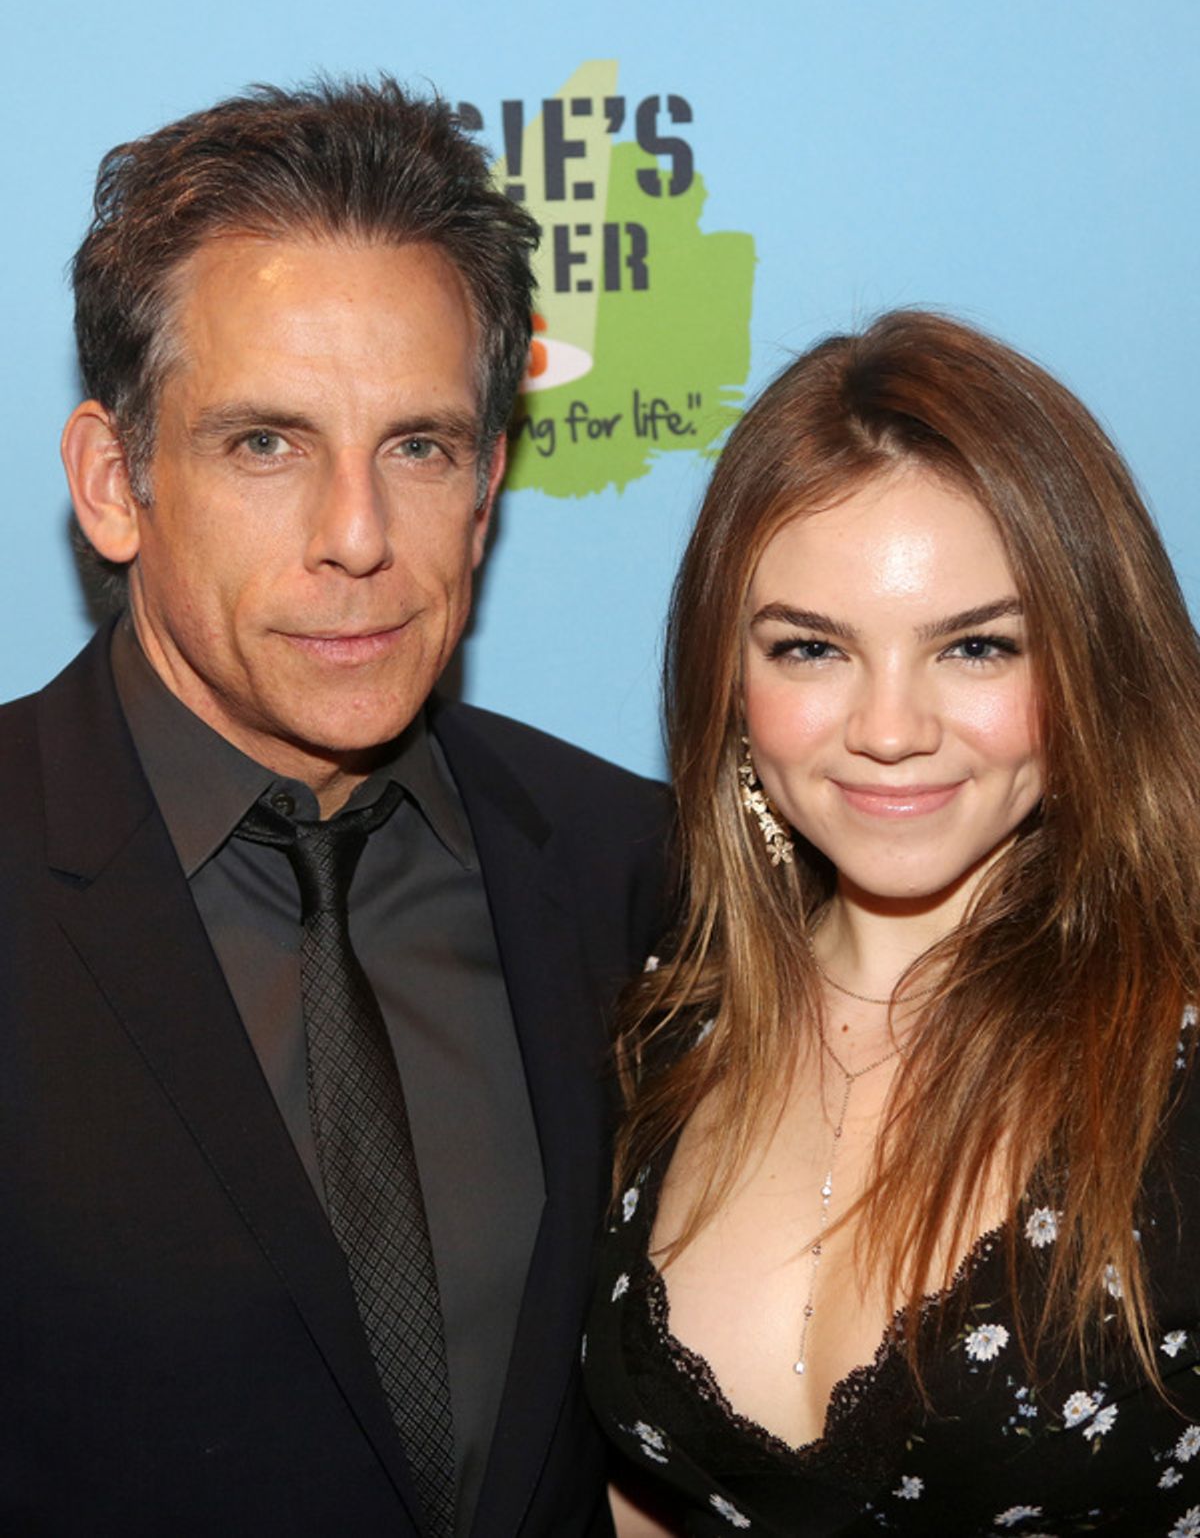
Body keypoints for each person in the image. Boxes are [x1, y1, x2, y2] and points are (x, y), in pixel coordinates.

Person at [0, 78, 666, 1538]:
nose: (357, 538)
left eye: (418, 447)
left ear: (488, 490)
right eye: (266, 444)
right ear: (115, 483)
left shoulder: (636, 871)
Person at [585, 310, 1200, 1536]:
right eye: (812, 647)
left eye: (976, 645)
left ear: (1092, 659)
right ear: (729, 678)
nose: (889, 727)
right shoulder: (662, 1020)